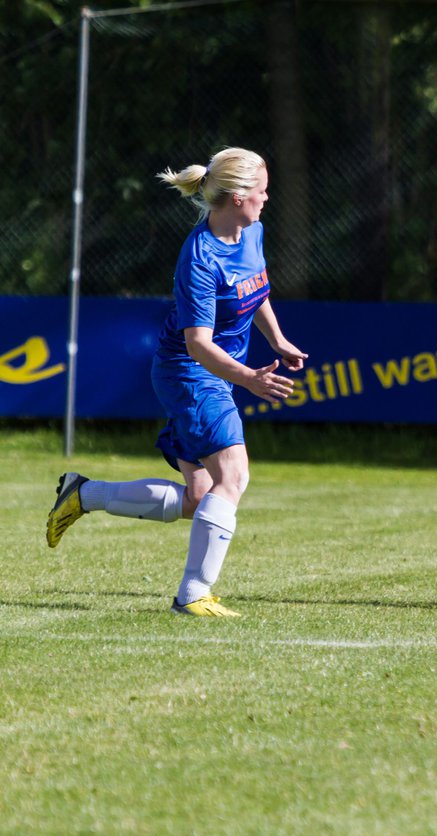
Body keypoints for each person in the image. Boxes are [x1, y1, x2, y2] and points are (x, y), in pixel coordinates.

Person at [46, 146, 307, 618]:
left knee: (201, 498)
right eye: (262, 192)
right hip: (192, 373)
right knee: (235, 476)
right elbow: (198, 344)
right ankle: (193, 594)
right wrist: (249, 377)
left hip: (215, 374)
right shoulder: (200, 258)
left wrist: (279, 339)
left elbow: (258, 289)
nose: (268, 199)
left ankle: (84, 493)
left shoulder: (253, 232)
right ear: (236, 197)